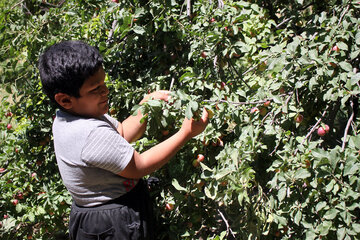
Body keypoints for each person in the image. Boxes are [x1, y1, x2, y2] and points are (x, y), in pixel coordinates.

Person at [38, 40, 208, 240]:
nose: (105, 91)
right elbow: (140, 165)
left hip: (98, 213)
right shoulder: (89, 133)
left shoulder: (74, 116)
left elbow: (121, 133)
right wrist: (185, 133)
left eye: (104, 83)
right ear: (65, 99)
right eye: (95, 89)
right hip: (111, 224)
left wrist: (145, 107)